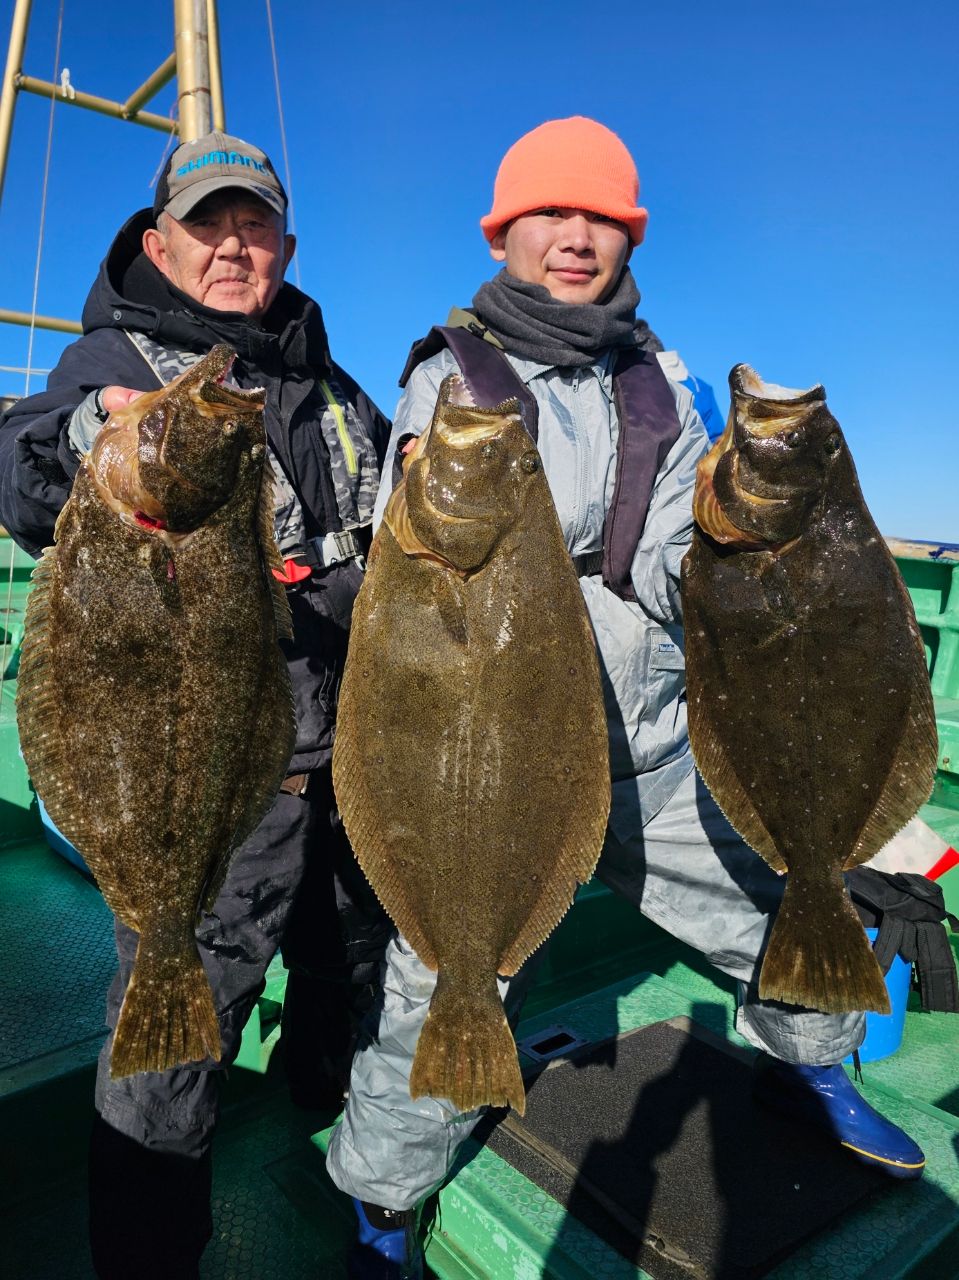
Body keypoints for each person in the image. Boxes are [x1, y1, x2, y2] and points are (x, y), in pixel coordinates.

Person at [324, 116, 926, 1280]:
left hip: (643, 748)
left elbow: (657, 561)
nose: (574, 236)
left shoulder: (662, 384)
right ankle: (382, 1197)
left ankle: (815, 1068)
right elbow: (421, 551)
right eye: (550, 213)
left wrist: (727, 540)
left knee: (772, 911)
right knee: (436, 981)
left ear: (626, 236)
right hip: (488, 768)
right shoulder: (451, 376)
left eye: (600, 217)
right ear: (504, 231)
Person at [0, 130, 391, 1279]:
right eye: (209, 222)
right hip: (203, 773)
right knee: (170, 1037)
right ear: (158, 240)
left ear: (286, 243)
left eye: (254, 222)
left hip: (344, 762)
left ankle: (335, 1160)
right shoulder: (109, 367)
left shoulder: (333, 389)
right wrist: (76, 438)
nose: (233, 244)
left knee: (349, 974)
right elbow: (15, 459)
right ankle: (146, 1252)